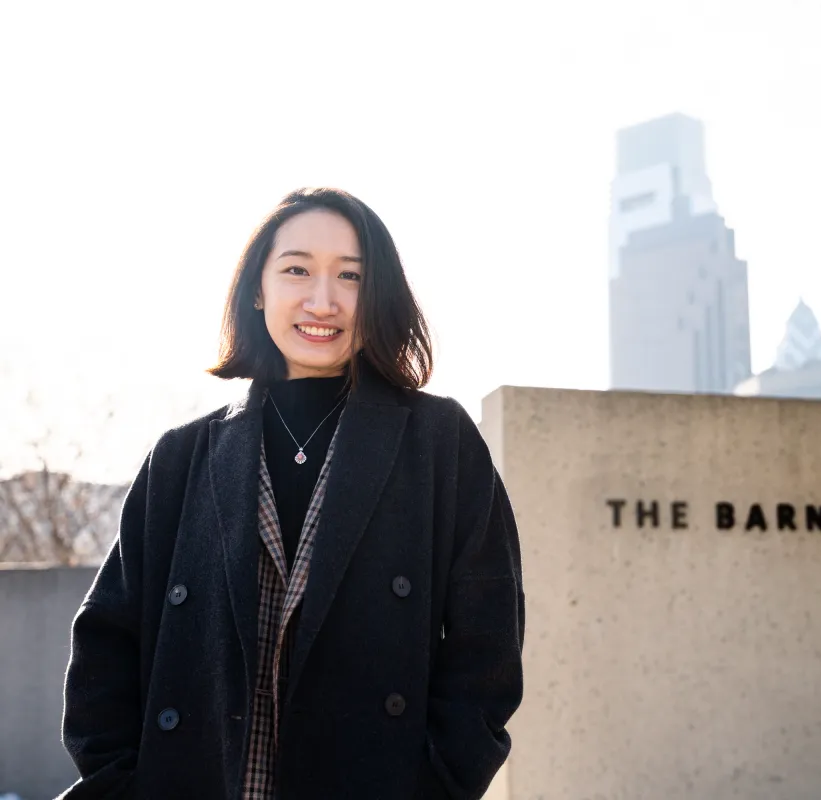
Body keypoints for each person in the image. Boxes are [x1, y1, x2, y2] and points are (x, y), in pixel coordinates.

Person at [59, 188, 525, 799]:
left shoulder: (440, 443)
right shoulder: (181, 457)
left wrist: (434, 786)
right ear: (258, 289)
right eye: (297, 269)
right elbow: (105, 642)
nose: (322, 300)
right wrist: (124, 785)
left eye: (350, 275)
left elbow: (487, 646)